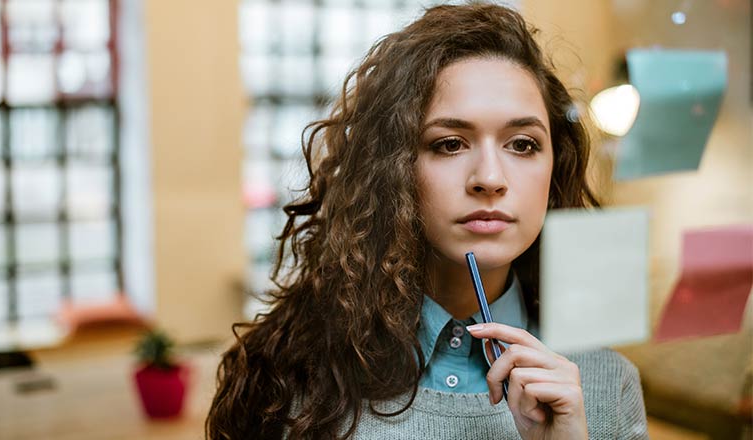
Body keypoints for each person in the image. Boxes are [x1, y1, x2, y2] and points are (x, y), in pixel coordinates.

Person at [206, 2, 648, 439]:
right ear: (394, 169)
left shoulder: (606, 387)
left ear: (555, 168)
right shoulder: (295, 380)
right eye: (451, 143)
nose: (490, 179)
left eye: (522, 144)